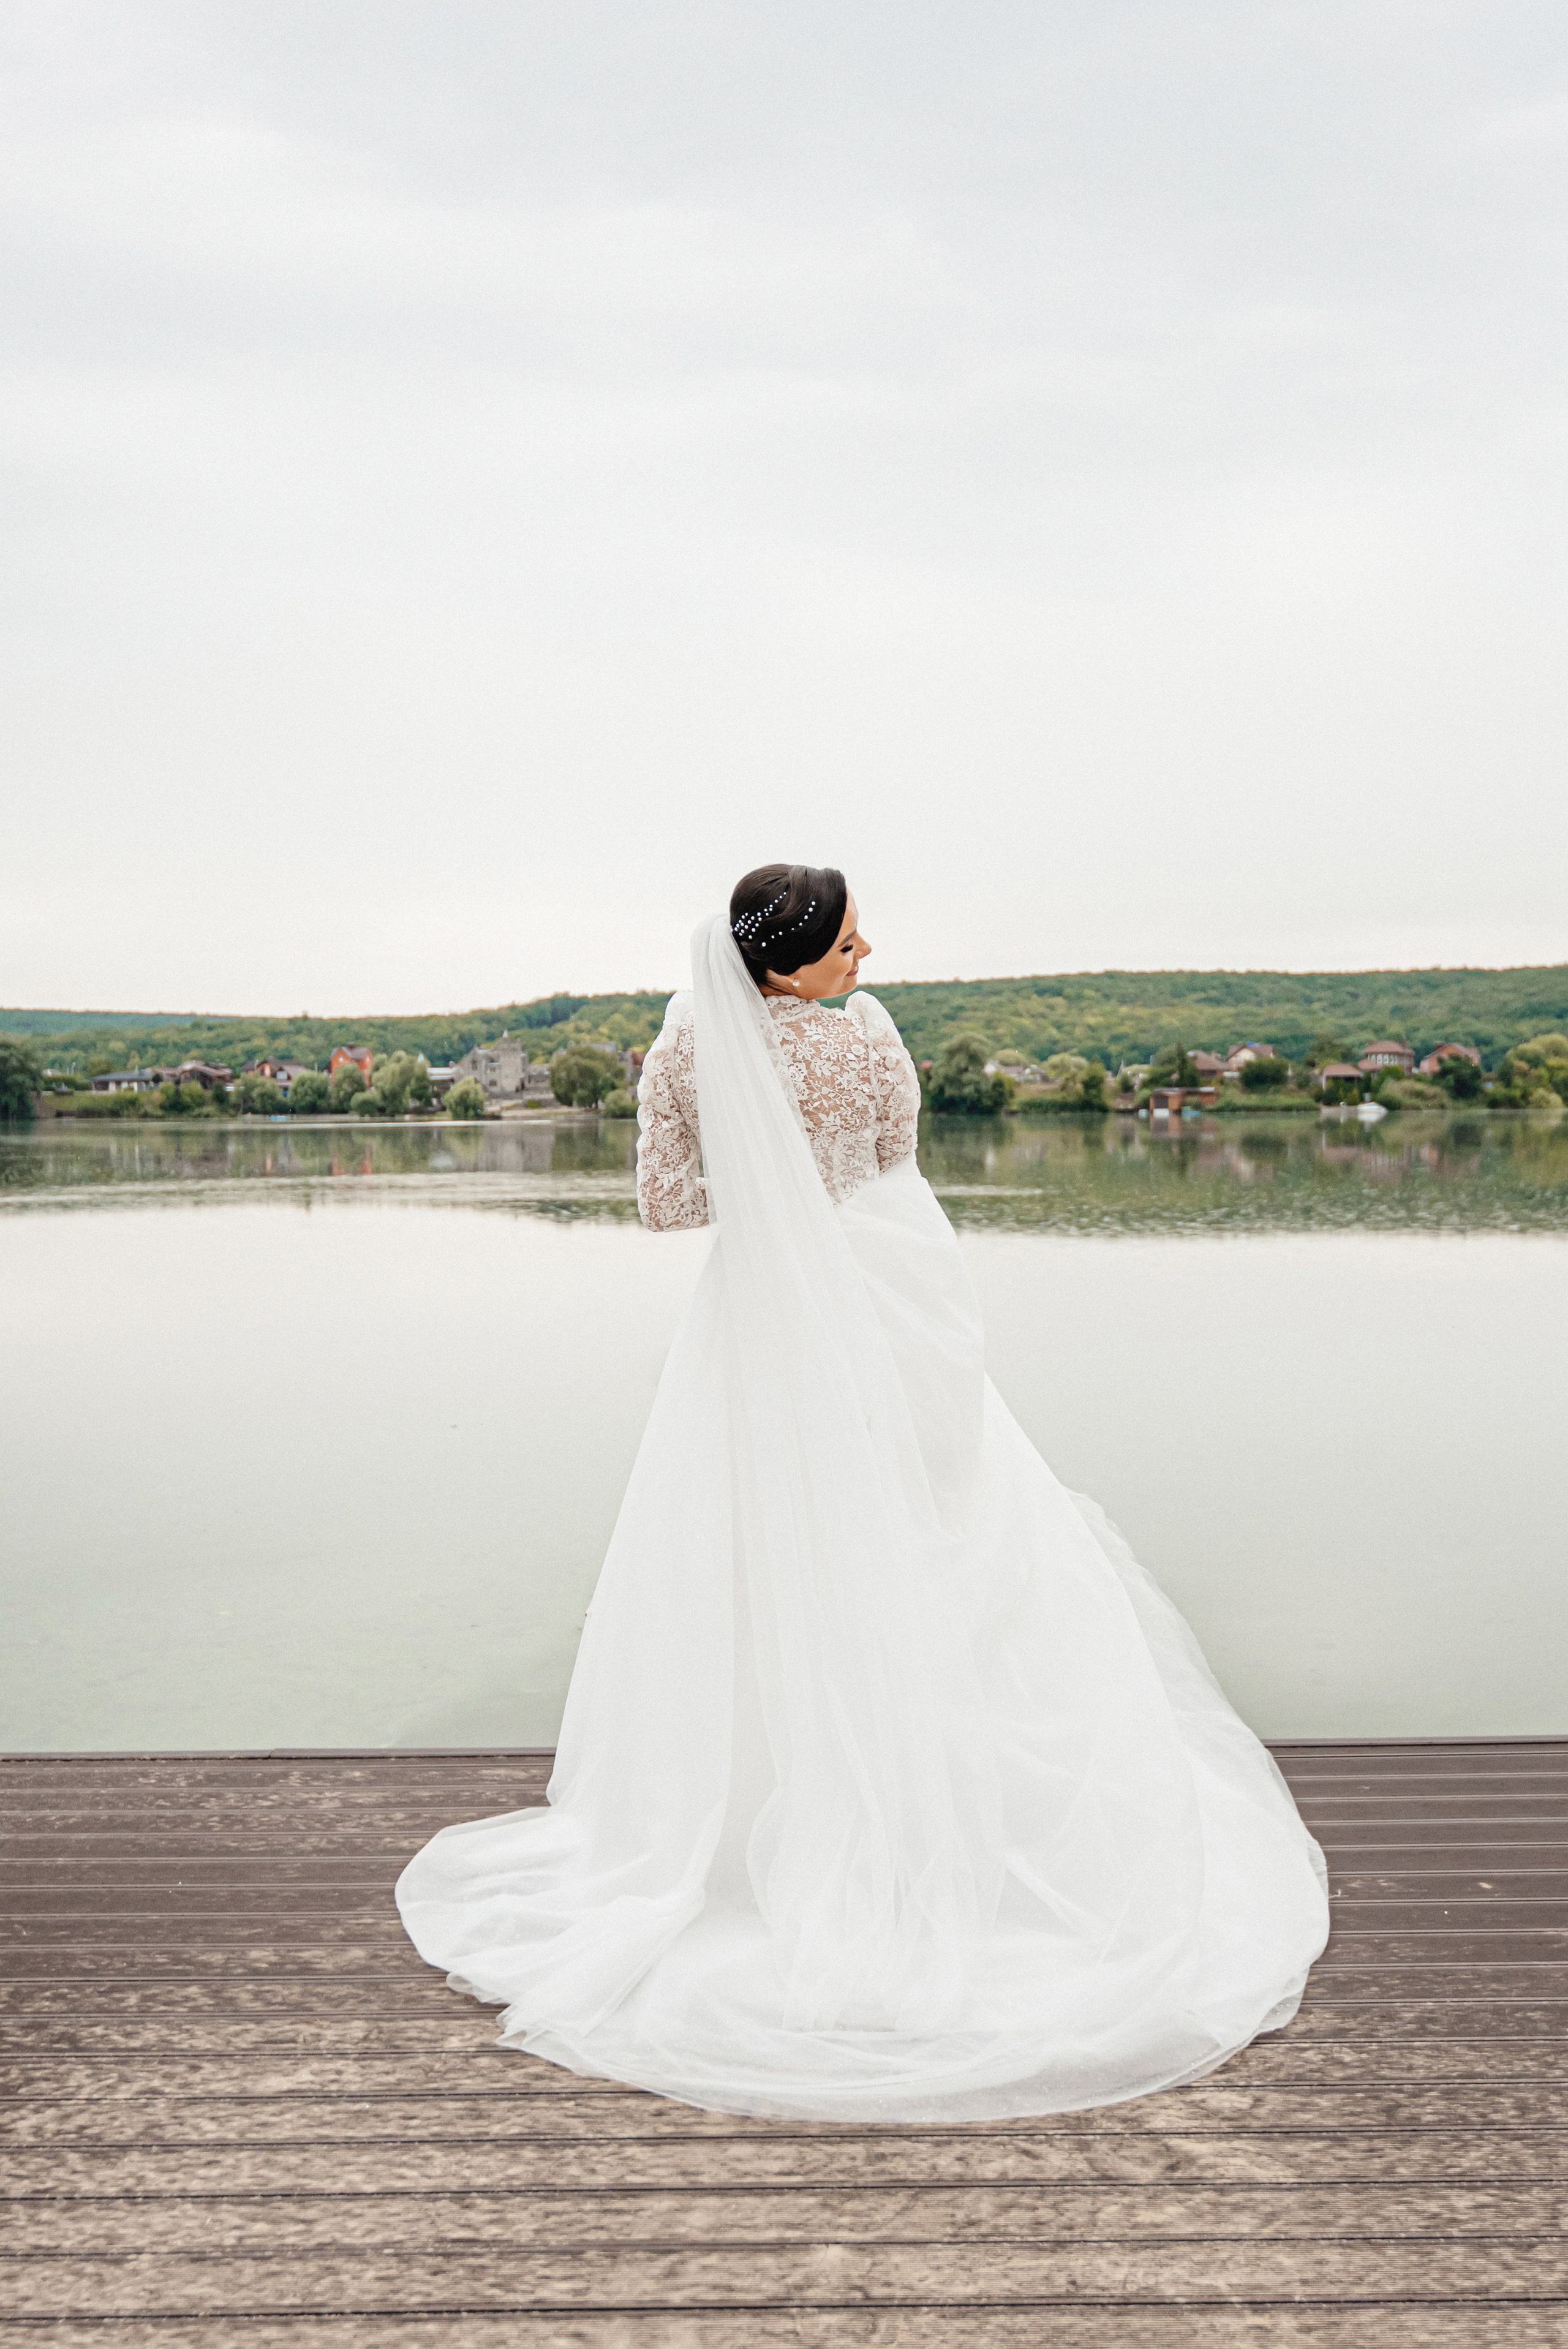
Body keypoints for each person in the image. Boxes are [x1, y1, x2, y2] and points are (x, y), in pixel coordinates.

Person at [397, 863, 1328, 2122]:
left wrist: (774, 1208)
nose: (866, 955)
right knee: (943, 1546)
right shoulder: (875, 1041)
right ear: (782, 965)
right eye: (843, 943)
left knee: (770, 1555)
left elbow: (667, 1207)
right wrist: (817, 1202)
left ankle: (758, 1832)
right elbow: (892, 1167)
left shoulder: (686, 1050)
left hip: (771, 1326)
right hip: (896, 1304)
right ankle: (959, 1825)